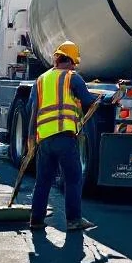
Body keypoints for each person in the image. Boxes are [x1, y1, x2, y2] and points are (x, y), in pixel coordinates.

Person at [26, 41, 98, 232]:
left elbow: (33, 110)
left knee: (43, 181)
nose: (75, 66)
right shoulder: (73, 78)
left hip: (44, 140)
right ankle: (74, 220)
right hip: (65, 139)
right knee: (73, 179)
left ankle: (36, 219)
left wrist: (31, 138)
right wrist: (105, 99)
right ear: (72, 60)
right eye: (75, 62)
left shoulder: (40, 80)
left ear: (57, 58)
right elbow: (89, 101)